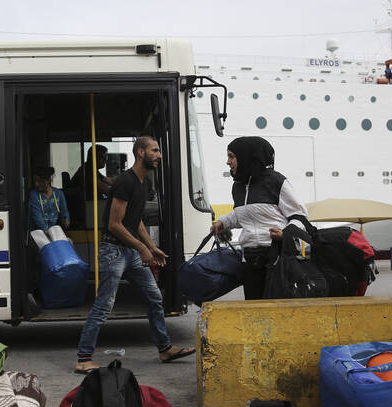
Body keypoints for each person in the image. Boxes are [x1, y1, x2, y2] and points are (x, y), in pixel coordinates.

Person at [75, 136, 194, 374]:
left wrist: (150, 246)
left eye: (159, 151)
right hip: (113, 251)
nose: (159, 155)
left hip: (131, 251)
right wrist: (142, 248)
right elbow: (114, 224)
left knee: (154, 297)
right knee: (104, 305)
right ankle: (83, 358)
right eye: (155, 150)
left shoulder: (144, 183)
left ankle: (164, 348)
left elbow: (136, 220)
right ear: (141, 153)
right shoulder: (125, 181)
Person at [210, 136, 308, 300]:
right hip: (250, 258)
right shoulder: (238, 186)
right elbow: (243, 214)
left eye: (231, 156)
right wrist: (224, 222)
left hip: (277, 256)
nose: (228, 162)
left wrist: (286, 234)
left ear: (246, 157)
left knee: (276, 309)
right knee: (254, 311)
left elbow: (299, 215)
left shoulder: (276, 181)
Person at [29, 166, 70, 231]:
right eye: (35, 181)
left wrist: (66, 220)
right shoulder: (34, 195)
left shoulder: (59, 194)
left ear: (48, 180)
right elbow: (37, 217)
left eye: (40, 181)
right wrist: (46, 231)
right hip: (39, 231)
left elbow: (64, 210)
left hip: (55, 230)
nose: (36, 184)